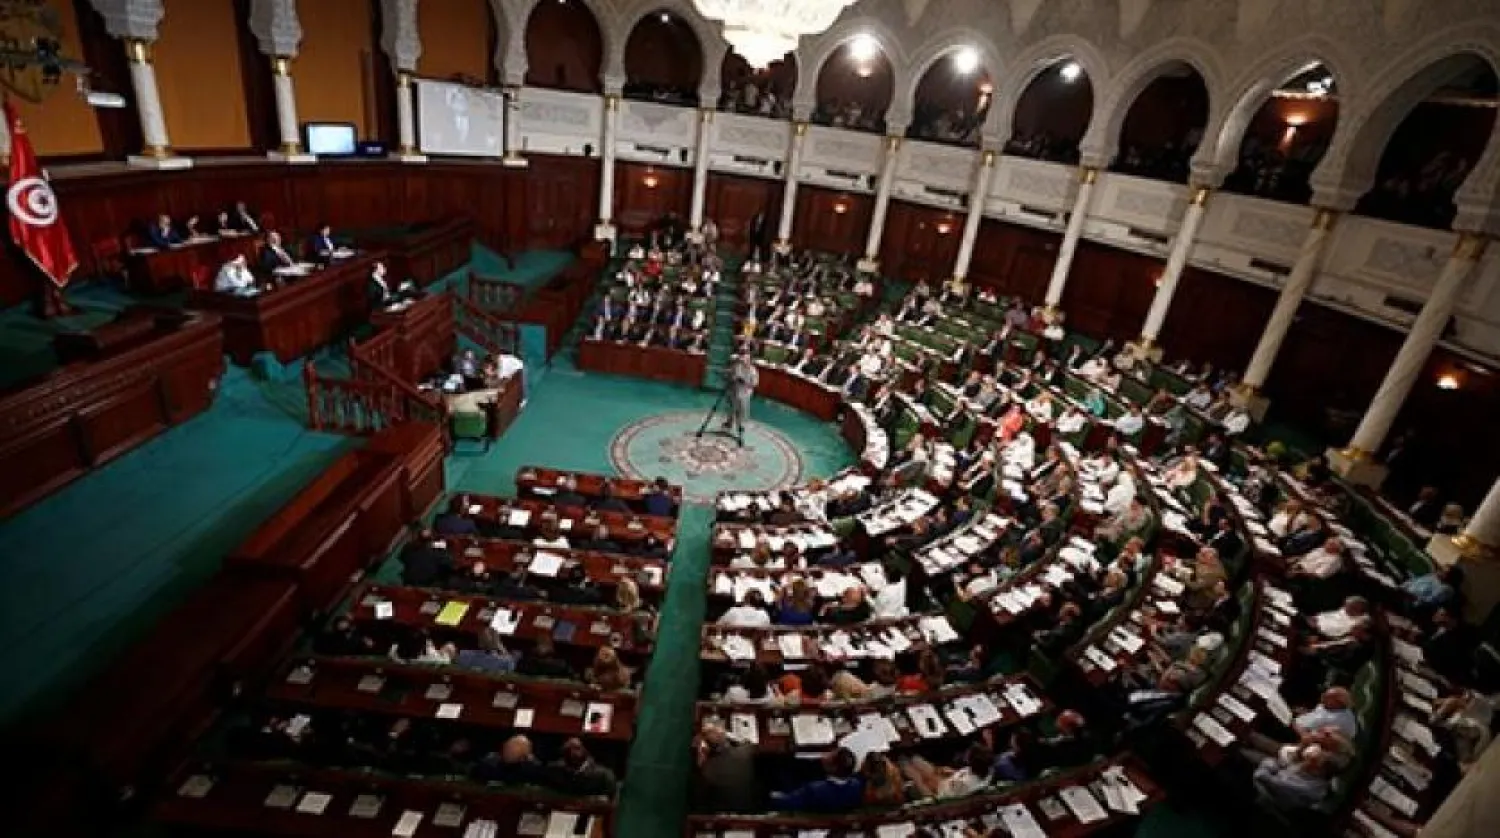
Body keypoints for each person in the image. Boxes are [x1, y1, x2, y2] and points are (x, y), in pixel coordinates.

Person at [770, 747, 863, 812]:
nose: (825, 756)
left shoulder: (814, 790)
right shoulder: (857, 786)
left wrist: (771, 795)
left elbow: (786, 802)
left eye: (829, 755)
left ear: (833, 767)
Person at [693, 720, 759, 812]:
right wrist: (727, 735)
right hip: (748, 808)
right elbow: (749, 742)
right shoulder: (744, 753)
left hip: (720, 813)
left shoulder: (708, 771)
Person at [548, 738, 617, 796]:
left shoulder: (604, 775)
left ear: (585, 750)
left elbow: (610, 800)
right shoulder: (555, 771)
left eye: (576, 748)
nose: (573, 753)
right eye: (568, 750)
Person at [723, 351, 759, 441]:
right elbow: (728, 375)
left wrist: (745, 382)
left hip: (745, 393)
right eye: (742, 358)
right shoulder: (736, 366)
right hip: (733, 390)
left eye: (746, 358)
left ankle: (740, 427)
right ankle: (729, 422)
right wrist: (730, 374)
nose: (743, 360)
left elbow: (754, 383)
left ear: (749, 360)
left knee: (741, 411)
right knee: (731, 407)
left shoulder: (753, 370)